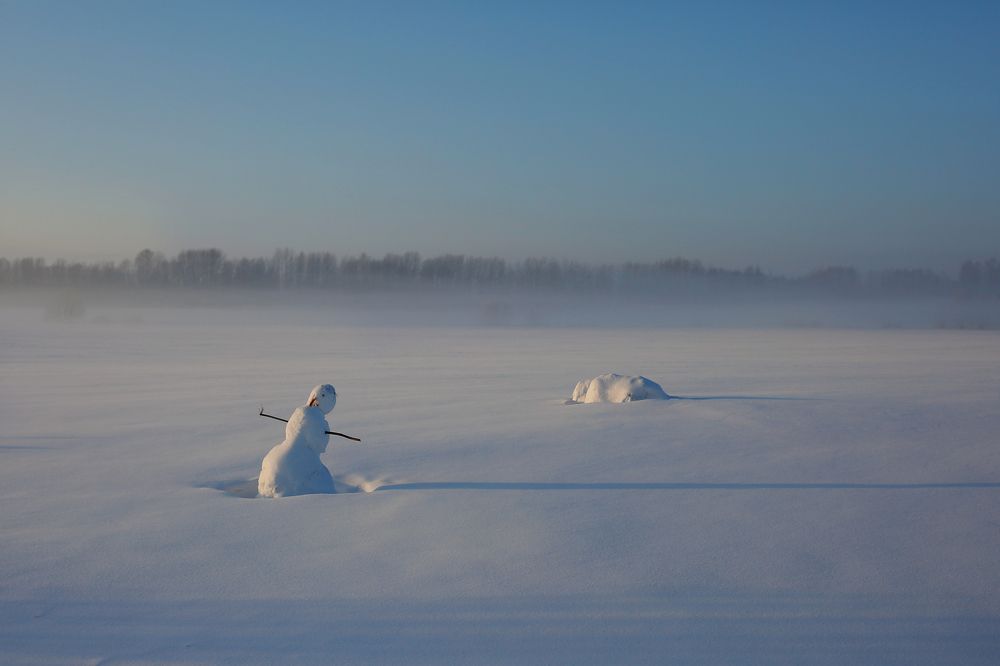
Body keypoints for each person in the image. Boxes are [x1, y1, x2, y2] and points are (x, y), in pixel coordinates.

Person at [258, 384, 337, 497]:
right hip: (297, 471)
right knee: (325, 486)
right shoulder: (316, 420)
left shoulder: (299, 412)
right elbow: (318, 445)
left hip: (273, 462)